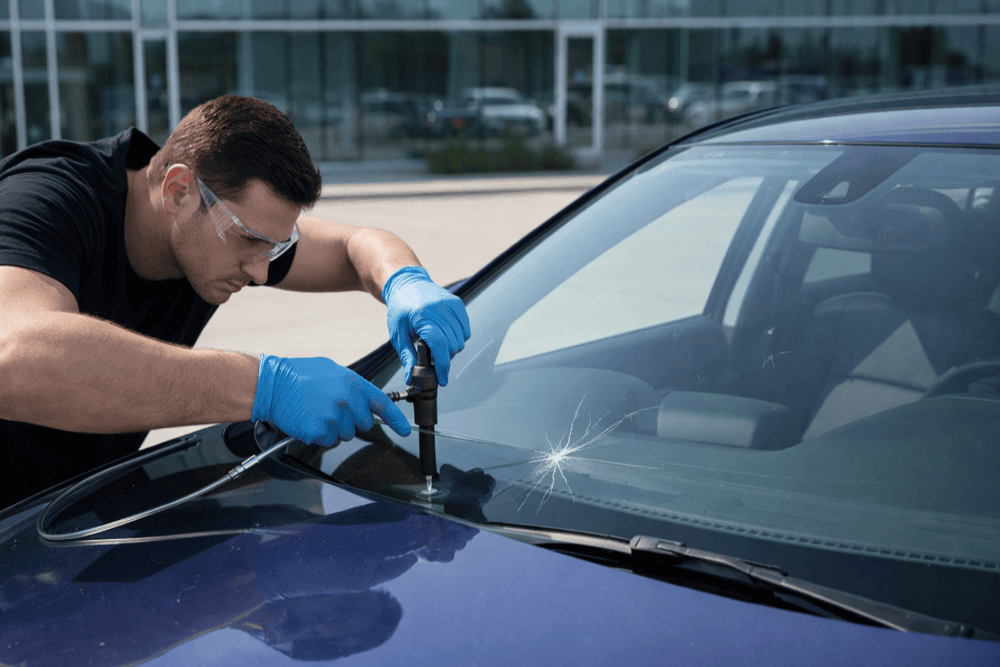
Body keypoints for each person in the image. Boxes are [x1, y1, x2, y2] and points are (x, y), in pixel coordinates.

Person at [0, 94, 471, 507]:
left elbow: (356, 245)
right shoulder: (45, 200)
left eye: (276, 248)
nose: (261, 272)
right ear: (179, 190)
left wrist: (405, 282)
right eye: (249, 241)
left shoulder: (224, 227)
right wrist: (266, 386)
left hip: (65, 511)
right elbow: (15, 357)